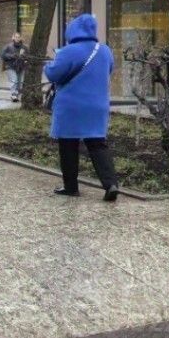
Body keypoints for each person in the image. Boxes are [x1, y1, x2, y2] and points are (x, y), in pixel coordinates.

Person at [45, 13, 119, 202]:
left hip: (71, 106)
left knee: (68, 145)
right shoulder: (105, 50)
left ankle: (71, 187)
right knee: (97, 144)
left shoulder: (68, 51)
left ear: (73, 30)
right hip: (97, 105)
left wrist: (48, 65)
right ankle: (111, 184)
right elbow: (109, 70)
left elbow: (53, 74)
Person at [1, 32, 29, 102]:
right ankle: (13, 94)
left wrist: (24, 57)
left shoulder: (24, 47)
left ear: (21, 38)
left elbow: (28, 56)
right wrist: (12, 56)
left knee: (19, 82)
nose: (17, 38)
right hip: (10, 66)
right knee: (14, 80)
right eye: (16, 37)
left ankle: (16, 95)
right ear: (13, 37)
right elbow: (3, 55)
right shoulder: (8, 46)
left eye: (18, 37)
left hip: (20, 67)